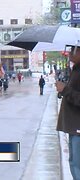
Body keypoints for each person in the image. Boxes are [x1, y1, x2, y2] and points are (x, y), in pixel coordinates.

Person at [56, 45, 80, 180]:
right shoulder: (76, 70)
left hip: (78, 126)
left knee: (77, 164)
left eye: (73, 50)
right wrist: (63, 91)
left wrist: (65, 90)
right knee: (73, 162)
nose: (70, 53)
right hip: (74, 126)